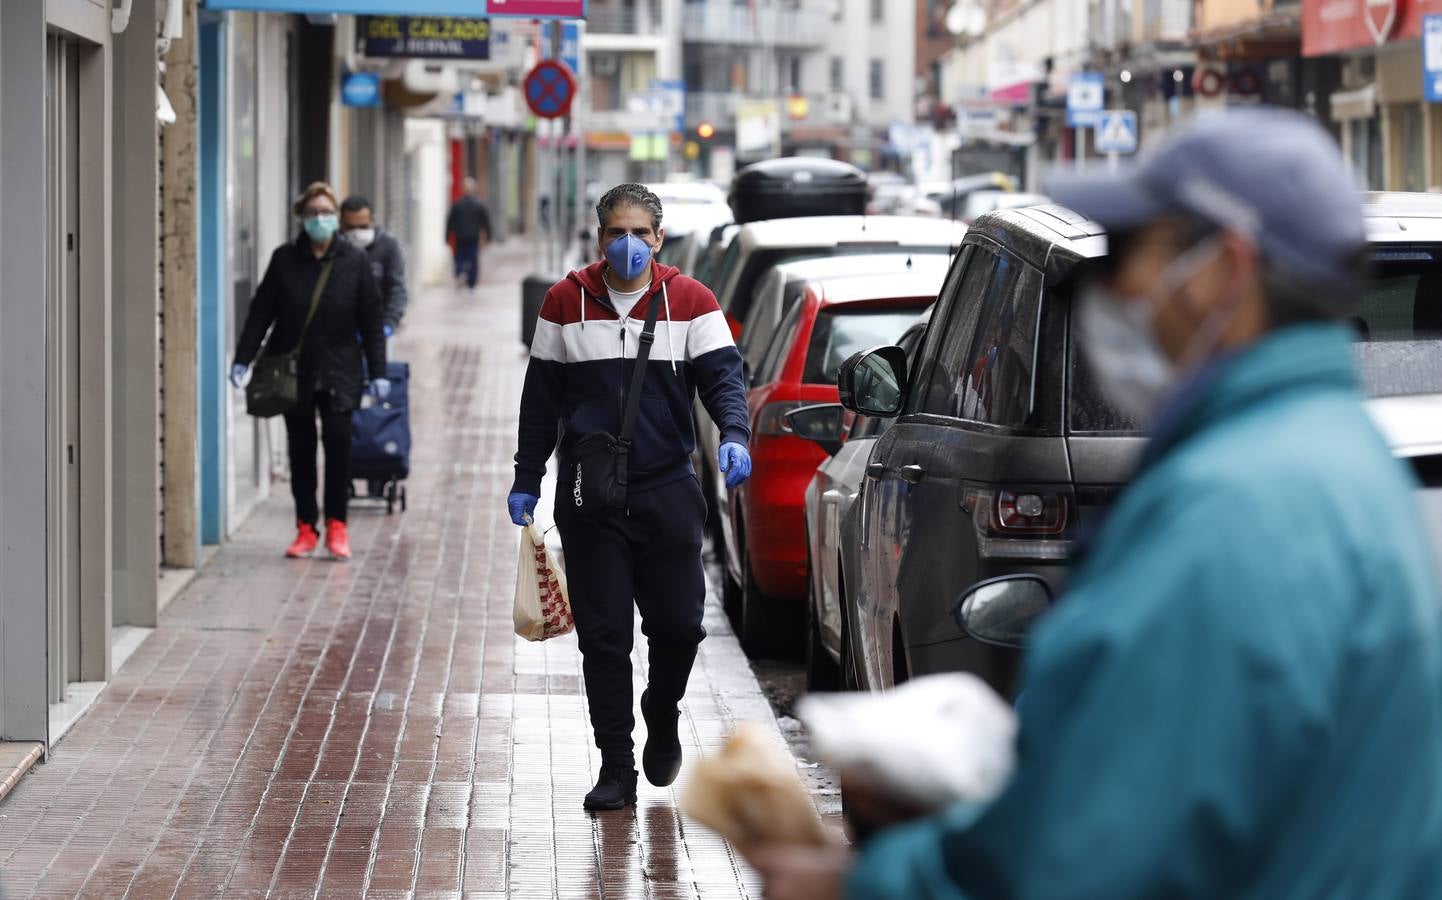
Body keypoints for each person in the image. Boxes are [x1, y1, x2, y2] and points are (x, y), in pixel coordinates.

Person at [751, 109, 1442, 898]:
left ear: (1227, 269)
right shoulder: (1330, 459)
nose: (1115, 293)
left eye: (1134, 256)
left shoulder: (1234, 507)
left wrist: (861, 886)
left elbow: (1084, 854)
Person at [508, 183, 753, 812]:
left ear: (659, 237)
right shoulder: (564, 302)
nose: (629, 245)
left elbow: (724, 378)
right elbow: (540, 402)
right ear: (599, 238)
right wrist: (526, 478)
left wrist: (733, 433)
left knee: (679, 627)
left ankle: (662, 709)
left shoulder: (691, 301)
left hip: (668, 489)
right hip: (591, 498)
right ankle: (616, 764)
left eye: (640, 233)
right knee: (605, 637)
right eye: (617, 232)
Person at [231, 182, 389, 561]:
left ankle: (337, 525)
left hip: (341, 371)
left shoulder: (354, 261)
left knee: (338, 446)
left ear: (336, 218)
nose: (321, 219)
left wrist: (378, 369)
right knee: (301, 451)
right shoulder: (284, 259)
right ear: (302, 218)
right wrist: (243, 358)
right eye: (313, 213)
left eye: (327, 212)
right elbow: (260, 312)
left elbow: (370, 318)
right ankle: (305, 526)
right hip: (295, 370)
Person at [340, 195, 408, 337]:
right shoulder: (335, 247)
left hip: (378, 328)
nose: (357, 233)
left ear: (372, 220)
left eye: (363, 227)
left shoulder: (388, 245)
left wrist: (388, 324)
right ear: (341, 224)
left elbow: (397, 288)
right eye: (351, 228)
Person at [445, 177, 491, 289]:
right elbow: (485, 223)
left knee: (459, 258)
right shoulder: (479, 205)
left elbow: (450, 222)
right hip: (473, 237)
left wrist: (446, 236)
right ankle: (471, 282)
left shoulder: (457, 205)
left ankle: (460, 273)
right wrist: (488, 237)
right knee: (473, 259)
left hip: (460, 237)